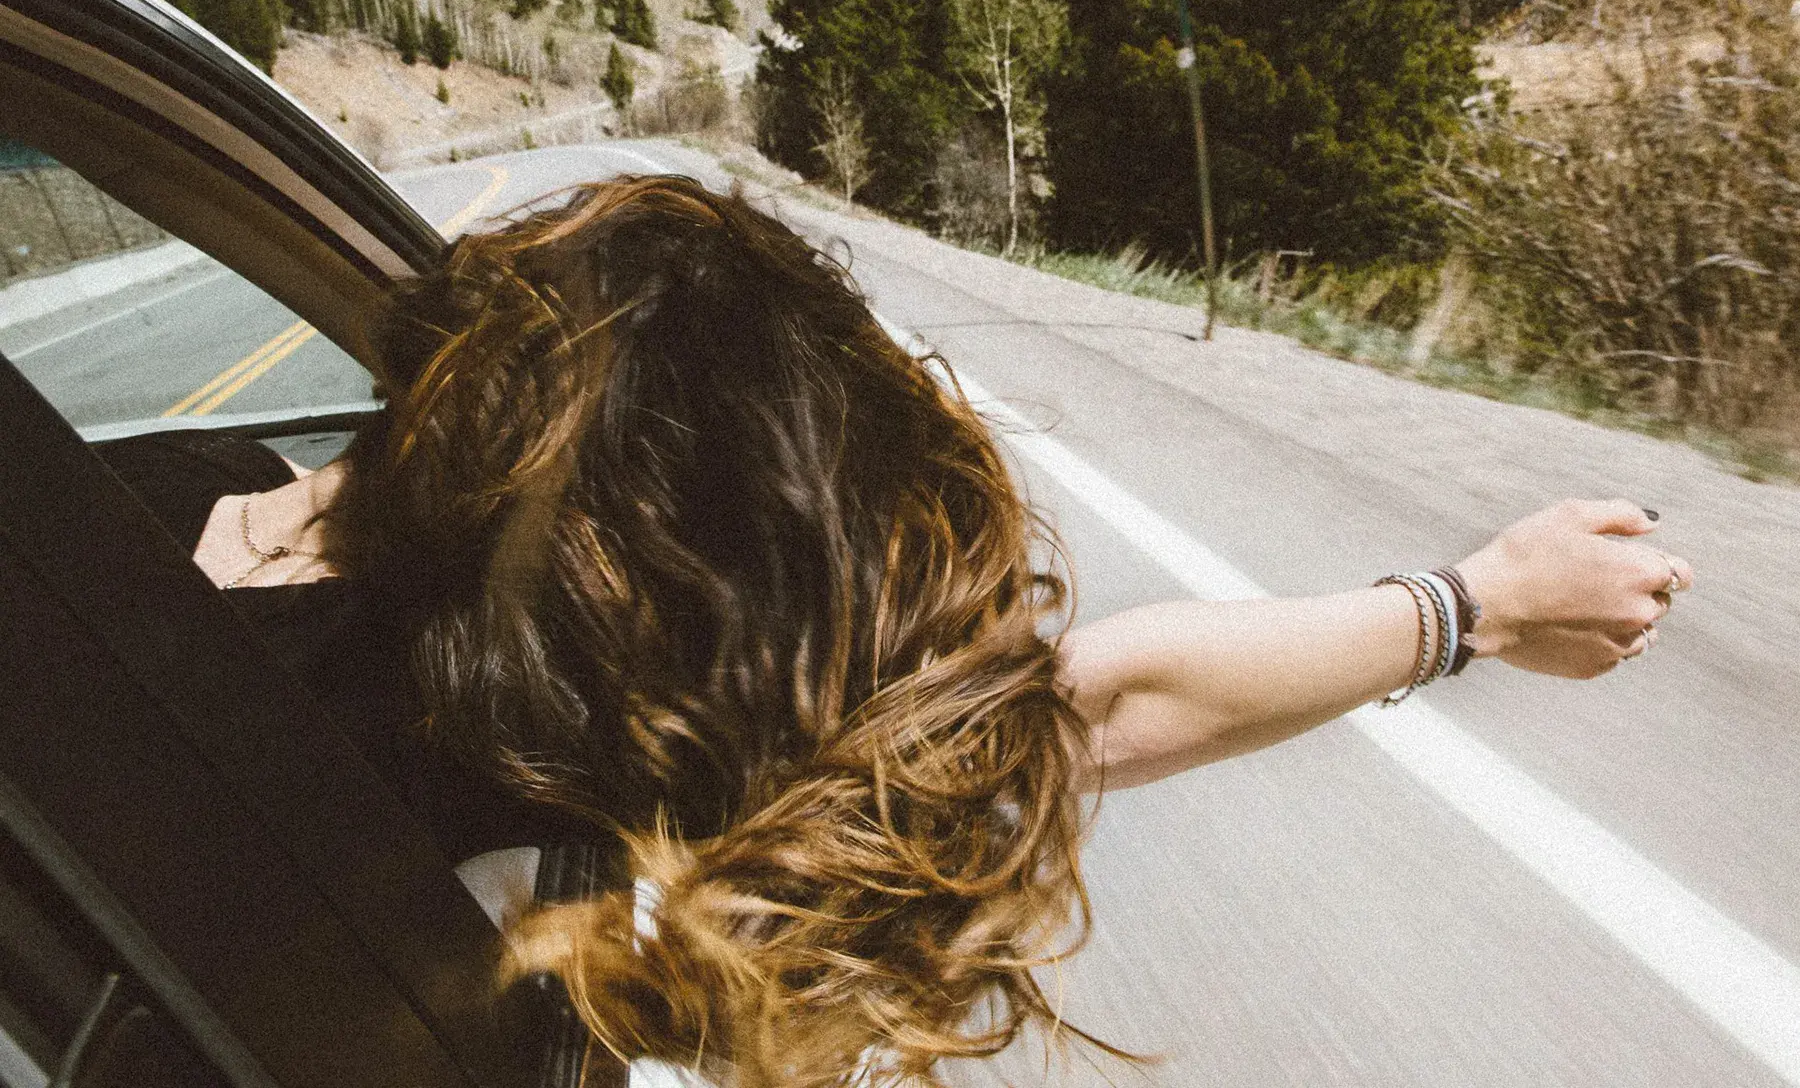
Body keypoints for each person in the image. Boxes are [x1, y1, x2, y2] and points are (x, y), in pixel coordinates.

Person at [99, 176, 1692, 1088]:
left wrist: (1476, 608)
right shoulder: (518, 756)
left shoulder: (123, 499)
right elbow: (1089, 703)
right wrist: (1471, 608)